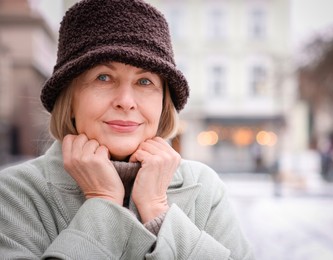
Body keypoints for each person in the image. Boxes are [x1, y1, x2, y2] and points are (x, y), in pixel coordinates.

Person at [0, 0, 255, 258]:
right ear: (70, 99)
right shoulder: (13, 195)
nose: (126, 101)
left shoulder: (203, 188)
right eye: (103, 77)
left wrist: (158, 213)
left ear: (163, 104)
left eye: (144, 81)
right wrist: (103, 202)